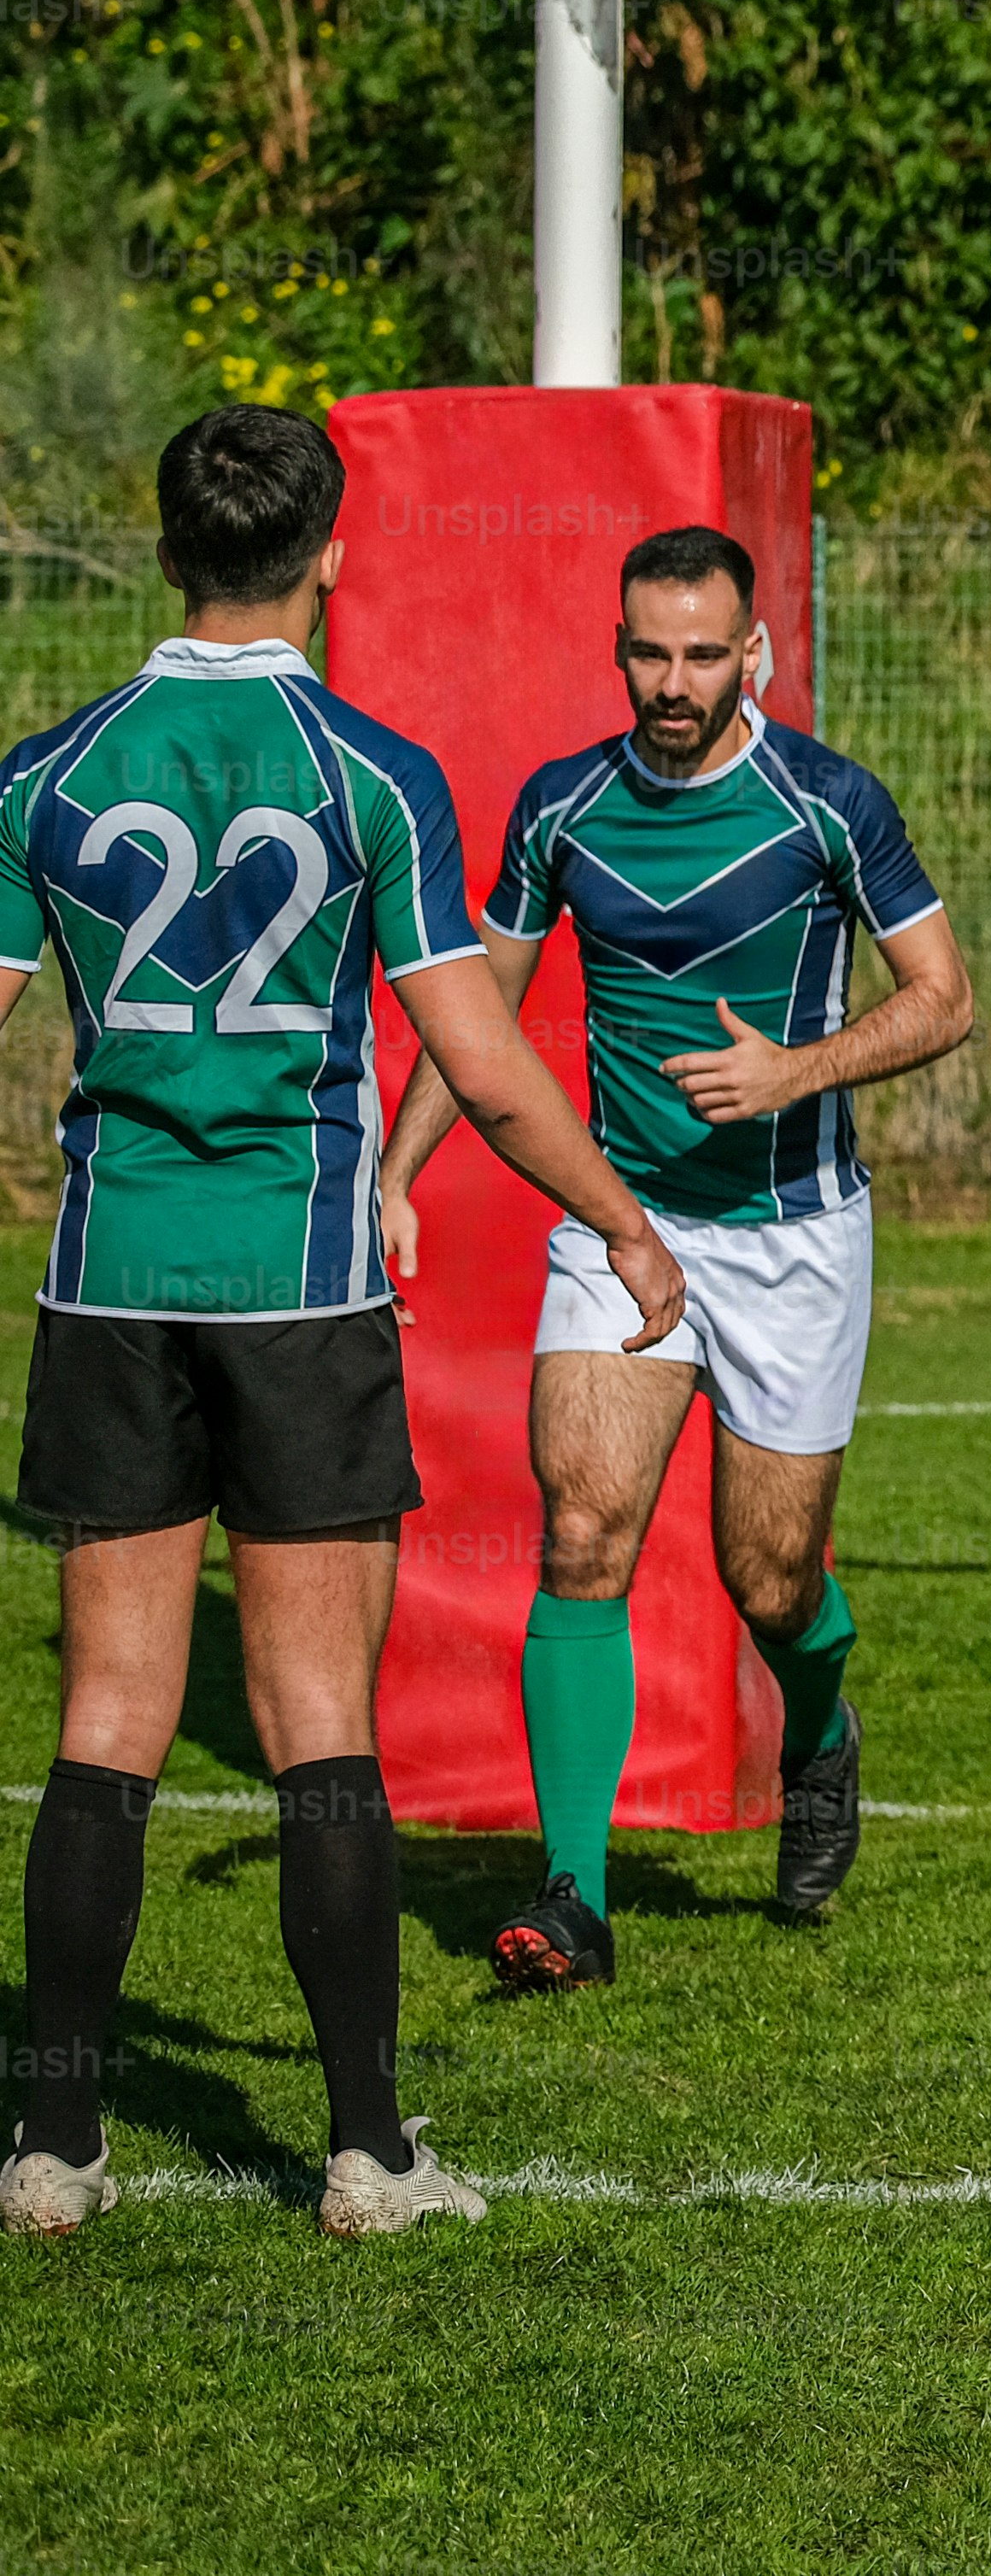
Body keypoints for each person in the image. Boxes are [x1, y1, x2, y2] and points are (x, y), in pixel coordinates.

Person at [1, 407, 692, 2240]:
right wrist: (618, 1220)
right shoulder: (372, 769)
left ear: (163, 551)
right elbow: (483, 1059)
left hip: (108, 1283)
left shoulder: (45, 777)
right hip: (299, 1289)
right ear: (330, 557)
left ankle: (52, 2149)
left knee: (110, 1717)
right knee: (319, 1717)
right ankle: (370, 2153)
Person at [374, 525, 969, 1990]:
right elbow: (480, 1018)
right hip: (622, 1226)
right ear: (620, 646)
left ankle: (820, 1731)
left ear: (751, 652)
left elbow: (945, 1000)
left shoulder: (828, 805)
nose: (677, 680)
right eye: (652, 651)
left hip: (795, 1235)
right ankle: (570, 1900)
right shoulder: (562, 806)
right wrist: (394, 1174)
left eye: (707, 653)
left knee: (768, 1578)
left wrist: (796, 1072)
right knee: (582, 1530)